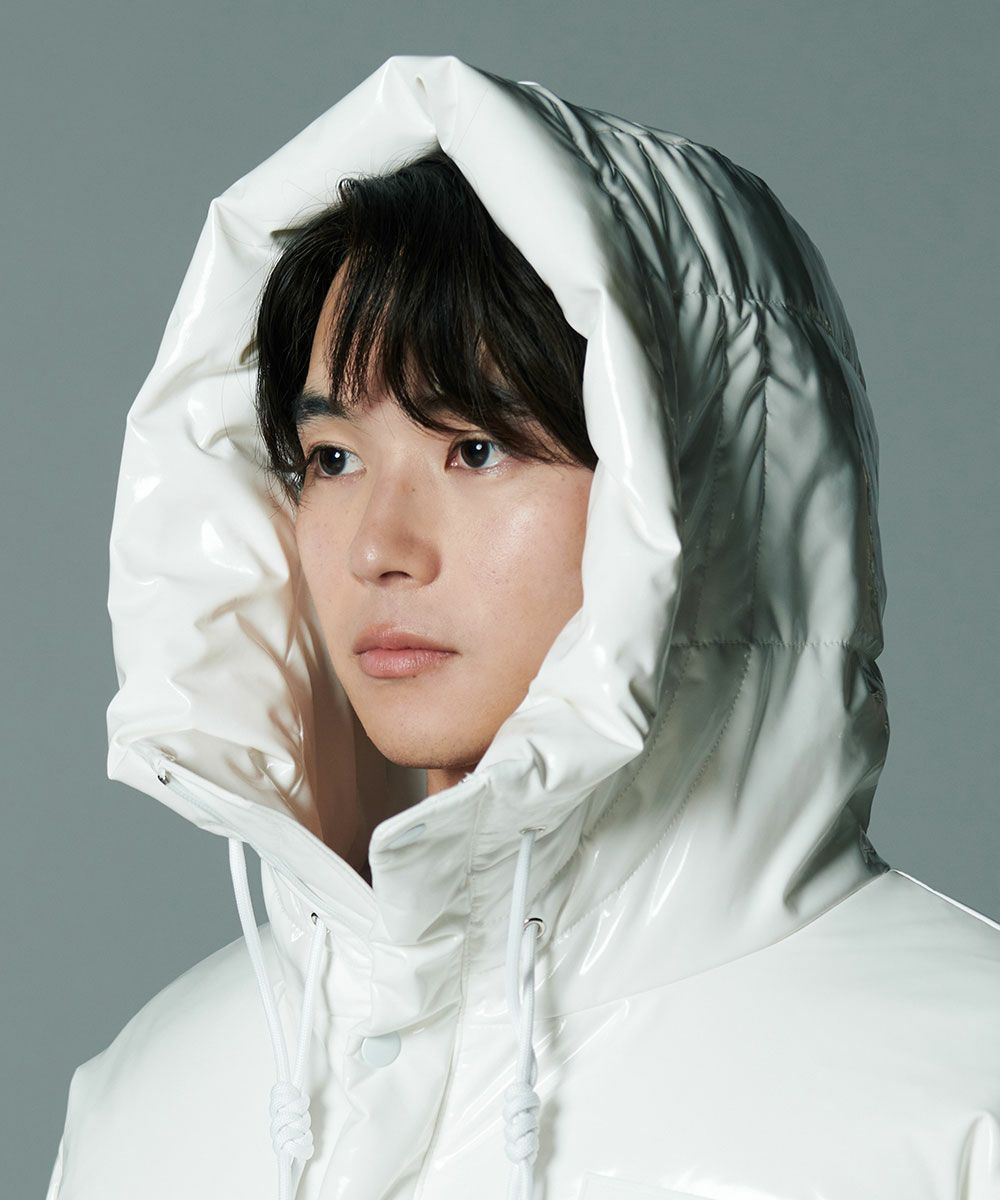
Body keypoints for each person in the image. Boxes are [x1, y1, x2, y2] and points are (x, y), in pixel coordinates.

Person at [45, 53, 999, 1200]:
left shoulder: (960, 1096)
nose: (378, 546)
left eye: (474, 447)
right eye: (333, 458)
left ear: (692, 488)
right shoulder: (149, 1103)